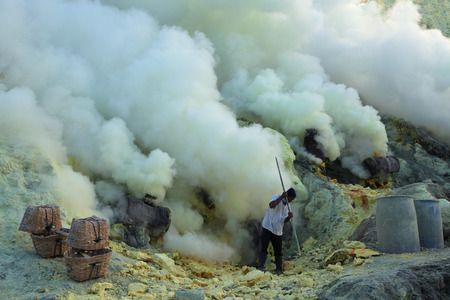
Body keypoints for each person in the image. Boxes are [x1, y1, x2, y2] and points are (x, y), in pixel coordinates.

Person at [258, 187, 296, 275]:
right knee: (264, 248)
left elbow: (284, 221)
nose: (291, 200)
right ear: (287, 195)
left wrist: (288, 217)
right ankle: (260, 267)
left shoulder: (288, 207)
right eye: (290, 198)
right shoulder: (276, 197)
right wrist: (281, 197)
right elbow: (271, 205)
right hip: (267, 227)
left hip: (278, 230)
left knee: (278, 252)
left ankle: (279, 270)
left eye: (292, 199)